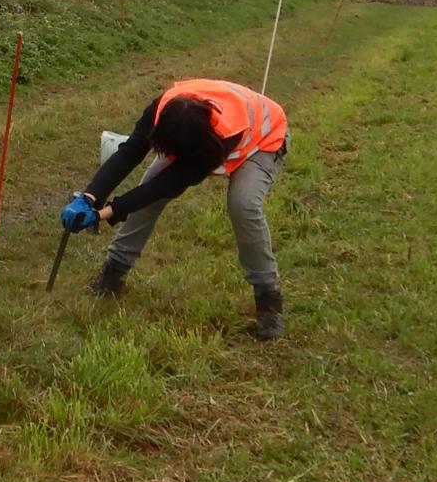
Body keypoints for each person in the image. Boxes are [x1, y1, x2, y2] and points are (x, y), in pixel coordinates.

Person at [61, 77, 290, 340]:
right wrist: (89, 197)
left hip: (264, 138)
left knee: (243, 204)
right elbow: (129, 153)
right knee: (148, 185)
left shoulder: (220, 136)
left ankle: (268, 299)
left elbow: (166, 185)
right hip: (212, 130)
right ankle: (113, 272)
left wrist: (103, 214)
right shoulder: (160, 110)